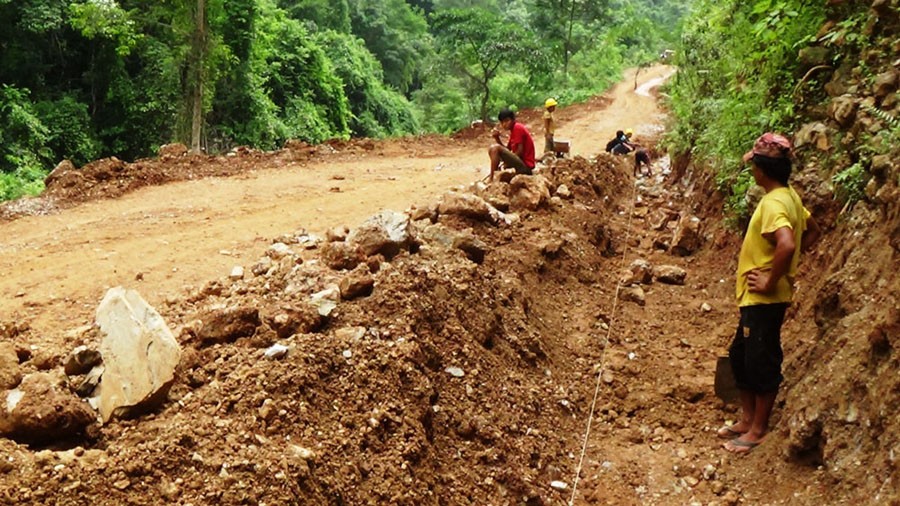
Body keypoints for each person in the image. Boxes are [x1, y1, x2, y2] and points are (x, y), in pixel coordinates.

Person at [719, 132, 822, 454]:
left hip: (764, 299)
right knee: (741, 356)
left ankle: (759, 429)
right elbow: (812, 230)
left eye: (754, 166)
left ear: (762, 170)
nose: (752, 171)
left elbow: (787, 243)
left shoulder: (774, 203)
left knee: (761, 361)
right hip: (757, 299)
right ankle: (748, 419)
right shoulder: (789, 197)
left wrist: (771, 278)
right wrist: (788, 266)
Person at [487, 108, 535, 182]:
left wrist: (507, 163)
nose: (504, 124)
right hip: (521, 164)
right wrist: (497, 138)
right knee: (492, 149)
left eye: (507, 121)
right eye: (502, 122)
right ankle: (495, 175)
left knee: (494, 148)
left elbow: (520, 151)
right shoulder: (513, 131)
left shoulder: (517, 128)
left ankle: (492, 178)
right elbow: (507, 150)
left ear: (513, 120)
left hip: (526, 166)